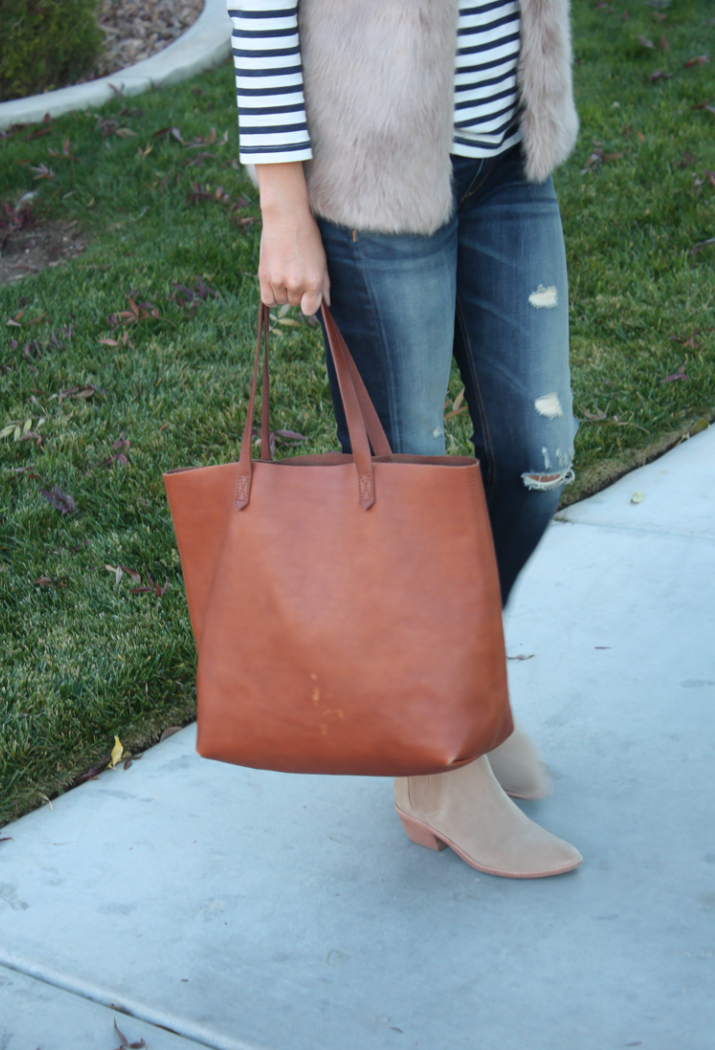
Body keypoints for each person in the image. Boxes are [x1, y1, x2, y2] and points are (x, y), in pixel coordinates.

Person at [227, 0, 582, 878]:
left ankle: (457, 698)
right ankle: (437, 770)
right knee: (408, 478)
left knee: (537, 456)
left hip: (509, 150)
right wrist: (283, 203)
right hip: (370, 171)